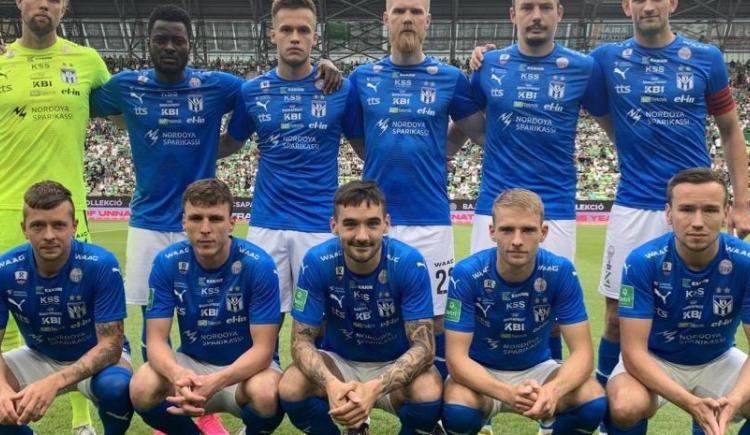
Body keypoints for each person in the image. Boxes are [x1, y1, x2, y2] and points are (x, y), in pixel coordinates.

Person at [587, 0, 750, 396]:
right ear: (626, 6)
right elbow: (599, 111)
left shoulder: (706, 58)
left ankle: (706, 406)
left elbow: (730, 130)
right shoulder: (605, 59)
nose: (648, 5)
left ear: (672, 3)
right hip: (634, 203)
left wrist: (743, 202)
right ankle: (609, 407)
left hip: (694, 204)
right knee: (615, 318)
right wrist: (482, 57)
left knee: (711, 309)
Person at [347, 0, 485, 381]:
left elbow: (477, 130)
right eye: (399, 11)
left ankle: (433, 399)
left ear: (428, 20)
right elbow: (360, 141)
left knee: (436, 318)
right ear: (385, 19)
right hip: (376, 222)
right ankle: (358, 398)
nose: (407, 18)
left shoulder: (449, 78)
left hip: (430, 220)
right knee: (371, 312)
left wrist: (440, 152)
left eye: (415, 11)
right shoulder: (361, 78)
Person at [0, 1, 112, 432]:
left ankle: (82, 422)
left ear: (64, 6)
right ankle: (11, 416)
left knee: (77, 315)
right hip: (7, 206)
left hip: (68, 209)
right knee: (8, 320)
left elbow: (126, 112)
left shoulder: (88, 61)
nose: (43, 3)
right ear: (19, 2)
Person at [222, 0, 358, 318]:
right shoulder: (252, 91)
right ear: (273, 34)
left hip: (319, 223)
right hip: (267, 222)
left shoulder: (340, 89)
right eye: (286, 30)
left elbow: (367, 147)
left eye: (303, 30)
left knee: (320, 319)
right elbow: (229, 143)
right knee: (262, 319)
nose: (295, 37)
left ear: (315, 37)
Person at [278, 180, 442, 434]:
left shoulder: (409, 262)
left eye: (372, 223)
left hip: (394, 363)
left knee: (428, 390)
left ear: (386, 224)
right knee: (291, 385)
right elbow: (300, 341)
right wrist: (331, 384)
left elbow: (425, 348)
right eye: (351, 224)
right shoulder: (316, 261)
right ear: (334, 226)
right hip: (340, 364)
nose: (362, 236)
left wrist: (374, 387)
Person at [441, 188, 606, 435]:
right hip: (481, 370)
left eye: (528, 230)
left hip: (538, 369)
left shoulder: (560, 271)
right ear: (492, 232)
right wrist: (509, 394)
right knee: (458, 410)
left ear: (543, 232)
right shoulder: (466, 274)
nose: (517, 240)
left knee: (591, 400)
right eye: (507, 229)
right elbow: (456, 360)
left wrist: (553, 390)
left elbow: (583, 353)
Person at [129, 179, 284, 435]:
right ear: (184, 222)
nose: (205, 229)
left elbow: (264, 350)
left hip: (247, 371)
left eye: (215, 219)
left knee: (266, 393)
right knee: (142, 385)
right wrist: (177, 373)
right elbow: (156, 340)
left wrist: (217, 381)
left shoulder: (259, 265)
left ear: (232, 222)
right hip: (192, 365)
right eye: (196, 218)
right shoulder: (167, 262)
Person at [605, 168, 750, 435]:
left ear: (725, 213)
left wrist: (735, 400)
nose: (698, 222)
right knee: (626, 405)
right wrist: (691, 403)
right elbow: (633, 352)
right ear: (669, 213)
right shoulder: (642, 261)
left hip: (718, 358)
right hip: (655, 359)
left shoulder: (746, 261)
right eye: (686, 209)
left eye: (710, 210)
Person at [0, 181, 133, 435]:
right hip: (39, 355)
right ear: (24, 229)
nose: (49, 235)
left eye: (59, 225)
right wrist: (2, 390)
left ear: (74, 226)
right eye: (38, 225)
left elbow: (110, 347)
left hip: (96, 355)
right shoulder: (4, 269)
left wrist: (55, 381)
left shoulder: (101, 264)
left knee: (116, 388)